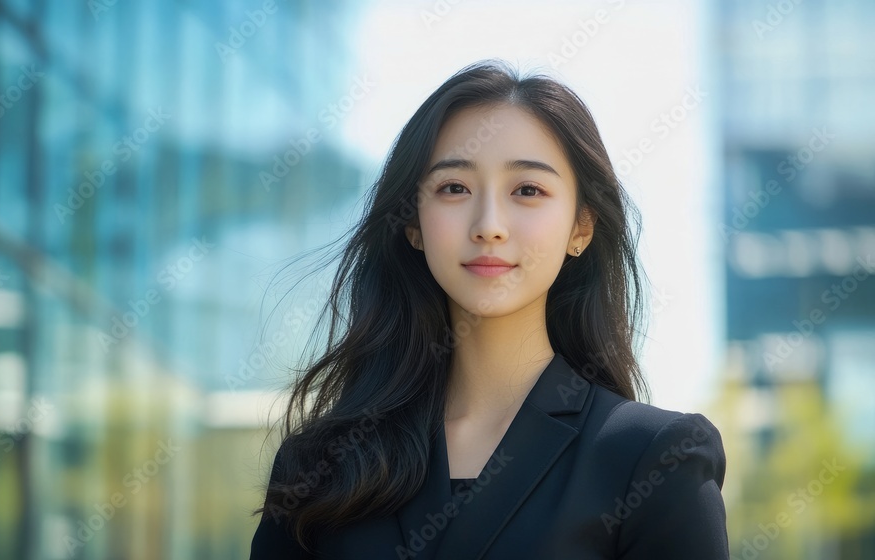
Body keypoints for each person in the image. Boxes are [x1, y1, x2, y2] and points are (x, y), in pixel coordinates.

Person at [248, 60, 729, 559]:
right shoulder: (320, 463)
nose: (489, 225)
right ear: (413, 223)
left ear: (581, 227)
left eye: (528, 190)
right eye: (454, 188)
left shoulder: (653, 458)